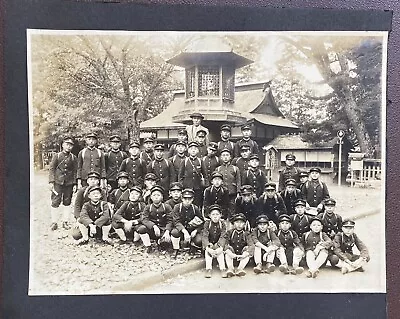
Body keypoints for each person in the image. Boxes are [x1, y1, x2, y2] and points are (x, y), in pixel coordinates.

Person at [48, 137, 77, 230]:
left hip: (69, 183)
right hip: (57, 182)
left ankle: (65, 221)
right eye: (67, 144)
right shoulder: (57, 156)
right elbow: (52, 169)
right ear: (63, 145)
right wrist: (51, 182)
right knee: (55, 201)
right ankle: (54, 222)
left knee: (67, 202)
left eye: (71, 145)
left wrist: (75, 183)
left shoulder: (73, 157)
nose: (69, 147)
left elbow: (75, 171)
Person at [137, 185, 174, 253]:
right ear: (151, 197)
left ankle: (160, 242)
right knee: (141, 229)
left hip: (163, 229)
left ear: (162, 197)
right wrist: (153, 226)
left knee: (165, 243)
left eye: (158, 195)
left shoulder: (167, 206)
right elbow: (144, 219)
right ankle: (148, 246)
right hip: (152, 230)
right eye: (154, 195)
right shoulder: (148, 207)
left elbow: (170, 220)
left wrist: (167, 231)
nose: (156, 197)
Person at [171, 189, 204, 257]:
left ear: (192, 199)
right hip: (181, 230)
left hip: (191, 230)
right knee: (174, 232)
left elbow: (202, 222)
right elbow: (176, 221)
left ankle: (193, 247)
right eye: (185, 198)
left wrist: (196, 230)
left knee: (199, 240)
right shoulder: (177, 207)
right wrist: (184, 232)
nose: (187, 201)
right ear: (182, 199)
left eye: (189, 199)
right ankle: (176, 249)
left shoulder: (195, 208)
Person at [202, 204, 228, 278]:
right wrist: (207, 246)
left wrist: (220, 246)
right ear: (209, 215)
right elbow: (205, 235)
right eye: (213, 214)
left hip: (218, 243)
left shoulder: (222, 224)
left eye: (217, 214)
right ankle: (208, 269)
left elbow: (223, 236)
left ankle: (222, 268)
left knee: (220, 253)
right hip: (210, 243)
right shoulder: (207, 223)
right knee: (207, 252)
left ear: (220, 215)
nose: (215, 216)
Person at [215, 148, 241, 221]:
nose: (225, 157)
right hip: (221, 193)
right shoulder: (218, 169)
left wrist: (238, 192)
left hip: (232, 193)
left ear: (230, 157)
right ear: (221, 157)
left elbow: (238, 181)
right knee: (222, 210)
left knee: (232, 211)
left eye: (227, 155)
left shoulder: (235, 168)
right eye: (223, 155)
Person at [178, 141, 206, 208]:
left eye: (195, 149)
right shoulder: (185, 161)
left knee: (197, 204)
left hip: (197, 187)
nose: (193, 150)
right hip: (187, 186)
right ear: (188, 150)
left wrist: (204, 185)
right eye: (191, 149)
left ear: (197, 151)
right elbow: (180, 175)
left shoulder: (200, 161)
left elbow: (205, 174)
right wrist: (182, 185)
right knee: (187, 203)